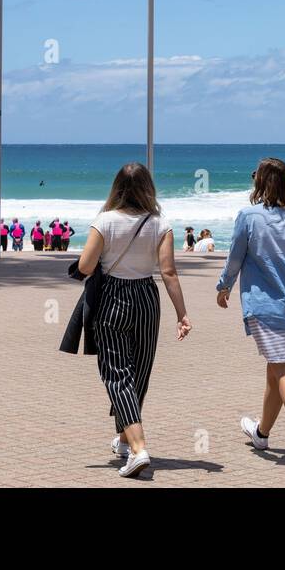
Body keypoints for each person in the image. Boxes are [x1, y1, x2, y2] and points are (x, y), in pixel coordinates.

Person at [76, 162, 191, 478]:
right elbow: (168, 272)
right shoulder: (159, 223)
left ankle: (139, 450)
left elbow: (85, 266)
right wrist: (182, 314)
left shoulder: (105, 221)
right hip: (146, 297)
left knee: (117, 373)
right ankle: (126, 440)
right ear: (147, 188)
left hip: (112, 297)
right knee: (138, 371)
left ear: (116, 188)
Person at [216, 158, 285, 472]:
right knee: (274, 370)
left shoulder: (249, 216)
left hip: (266, 307)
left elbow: (235, 257)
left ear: (259, 183)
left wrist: (223, 287)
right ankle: (262, 433)